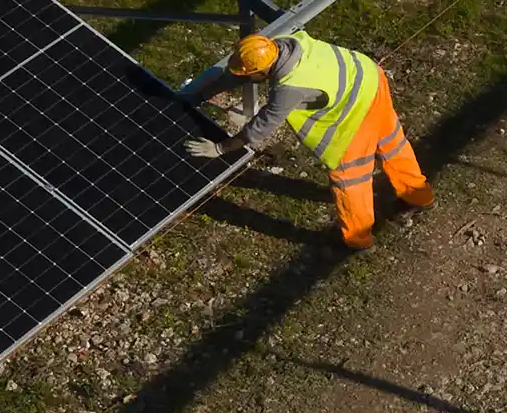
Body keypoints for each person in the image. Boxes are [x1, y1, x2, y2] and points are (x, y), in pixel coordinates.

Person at [184, 30, 433, 253]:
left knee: (350, 176)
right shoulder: (287, 43)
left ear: (261, 71)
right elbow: (240, 74)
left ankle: (359, 239)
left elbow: (259, 128)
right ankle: (418, 194)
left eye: (250, 73)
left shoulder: (289, 89)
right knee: (392, 142)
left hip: (357, 107)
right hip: (370, 77)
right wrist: (205, 93)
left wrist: (220, 148)